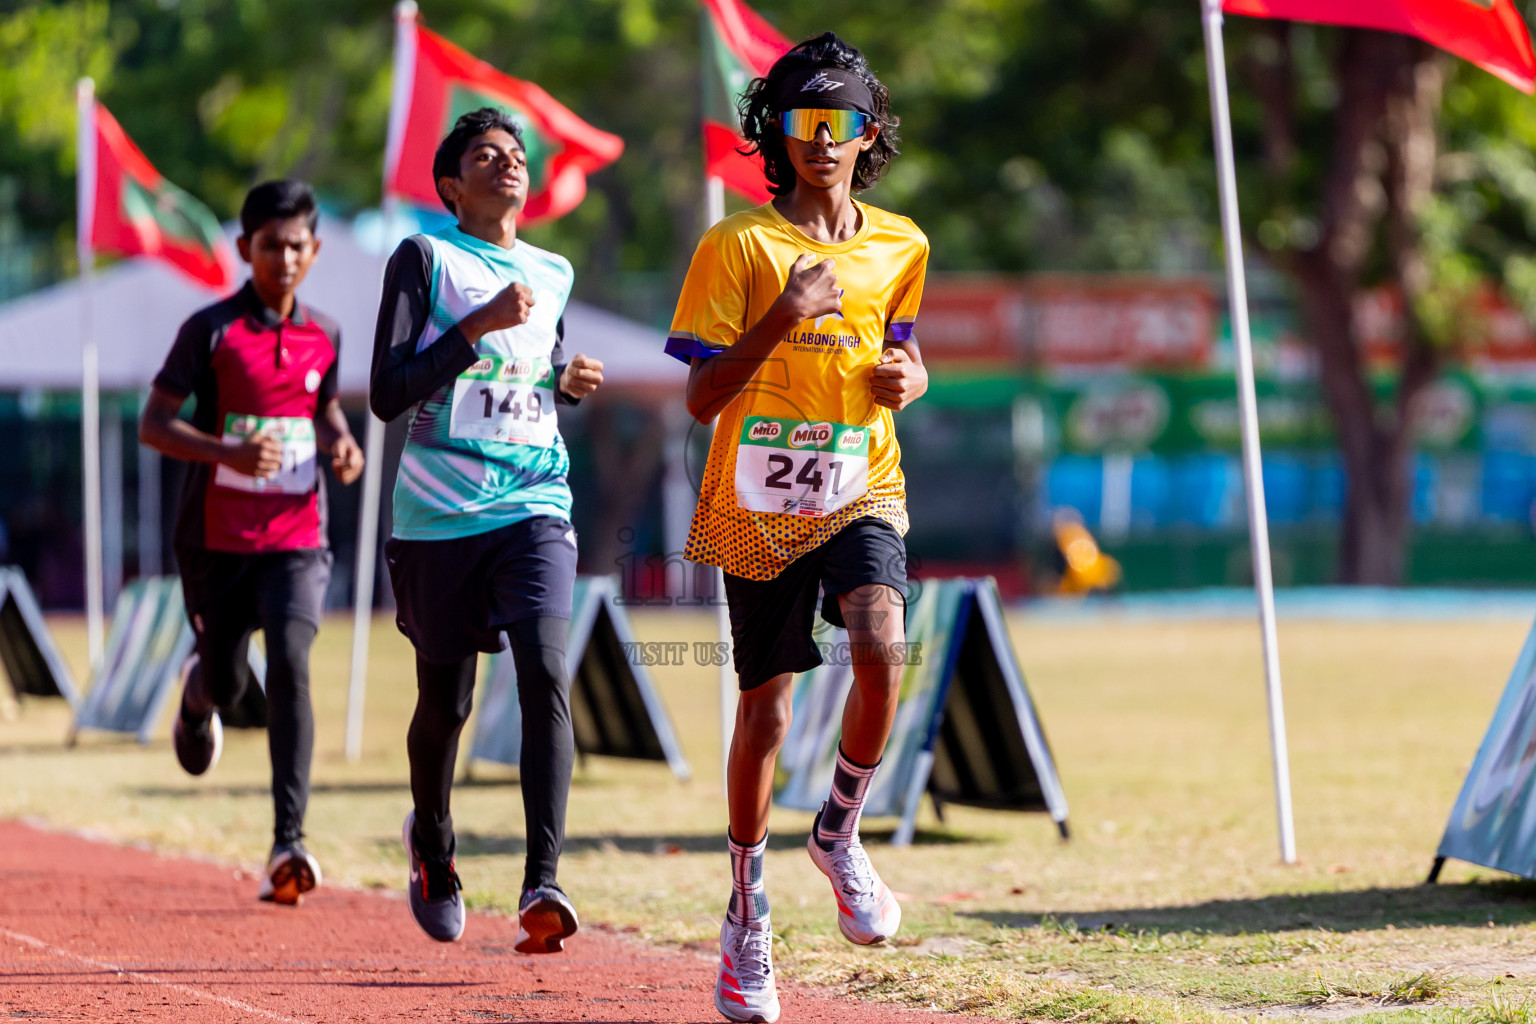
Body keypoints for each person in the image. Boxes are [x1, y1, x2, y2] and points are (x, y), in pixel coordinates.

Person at [665, 32, 931, 1024]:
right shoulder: (737, 246)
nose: (821, 138)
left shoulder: (902, 243)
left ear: (867, 134)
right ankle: (747, 909)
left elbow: (904, 351)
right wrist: (781, 316)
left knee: (880, 641)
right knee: (767, 711)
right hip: (756, 501)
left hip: (862, 483)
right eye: (803, 120)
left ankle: (839, 829)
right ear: (777, 132)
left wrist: (915, 375)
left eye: (841, 121)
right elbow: (701, 396)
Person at [369, 108, 604, 951]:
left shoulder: (554, 270)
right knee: (446, 702)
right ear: (451, 185)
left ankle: (544, 880)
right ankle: (433, 844)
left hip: (534, 503)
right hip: (438, 519)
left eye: (515, 155)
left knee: (545, 672)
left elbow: (532, 380)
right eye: (484, 155)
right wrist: (475, 326)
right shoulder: (425, 258)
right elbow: (387, 393)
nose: (507, 164)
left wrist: (565, 383)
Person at [140, 179, 364, 905]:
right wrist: (226, 454)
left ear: (315, 249)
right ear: (245, 249)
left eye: (298, 245)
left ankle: (288, 841)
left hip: (298, 533)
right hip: (216, 540)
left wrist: (343, 442)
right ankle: (199, 697)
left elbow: (322, 402)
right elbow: (154, 423)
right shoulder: (209, 331)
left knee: (293, 663)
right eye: (271, 246)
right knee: (233, 680)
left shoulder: (324, 333)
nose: (286, 258)